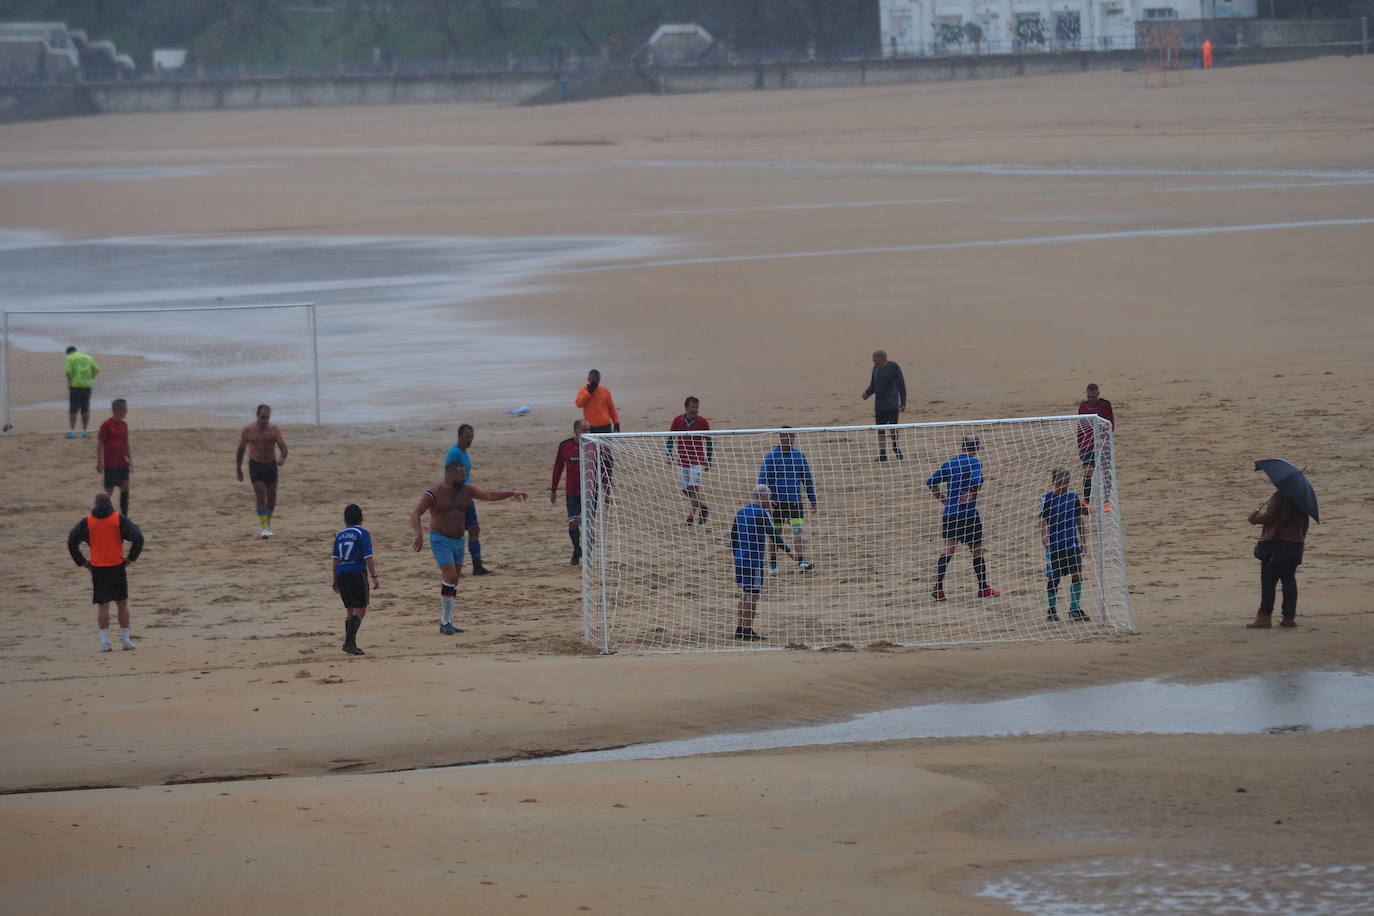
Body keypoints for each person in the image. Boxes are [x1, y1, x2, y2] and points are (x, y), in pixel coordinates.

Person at [410, 461, 527, 635]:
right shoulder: (434, 492)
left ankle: (448, 621)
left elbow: (489, 495)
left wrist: (511, 493)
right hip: (440, 539)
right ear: (450, 476)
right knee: (450, 576)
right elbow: (416, 513)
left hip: (459, 540)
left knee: (454, 579)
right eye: (461, 475)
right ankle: (444, 622)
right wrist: (418, 534)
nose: (464, 479)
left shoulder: (466, 490)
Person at [67, 492, 144, 652]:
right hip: (117, 566)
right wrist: (131, 558)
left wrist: (82, 562)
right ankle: (126, 641)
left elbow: (72, 541)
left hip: (98, 568)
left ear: (95, 504)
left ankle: (105, 642)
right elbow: (138, 537)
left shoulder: (88, 522)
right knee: (122, 603)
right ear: (110, 503)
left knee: (103, 605)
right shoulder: (118, 519)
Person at [928, 436, 999, 600]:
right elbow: (976, 481)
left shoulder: (950, 463)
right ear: (977, 448)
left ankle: (938, 587)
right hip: (968, 515)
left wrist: (943, 499)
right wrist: (972, 494)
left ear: (962, 447)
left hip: (950, 514)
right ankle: (983, 588)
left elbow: (931, 482)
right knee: (976, 551)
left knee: (947, 551)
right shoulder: (974, 463)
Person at [730, 485, 794, 641]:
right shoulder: (762, 514)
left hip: (740, 558)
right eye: (770, 497)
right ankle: (747, 629)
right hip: (754, 560)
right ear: (763, 497)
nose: (772, 500)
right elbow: (773, 534)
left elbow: (733, 537)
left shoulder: (741, 512)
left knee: (745, 593)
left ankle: (740, 628)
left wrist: (737, 555)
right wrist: (789, 551)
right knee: (753, 595)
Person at [756, 428, 817, 572]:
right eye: (785, 436)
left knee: (797, 531)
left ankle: (801, 562)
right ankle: (773, 564)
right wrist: (766, 501)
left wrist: (813, 500)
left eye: (791, 436)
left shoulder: (799, 456)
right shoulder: (771, 456)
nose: (788, 439)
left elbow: (807, 479)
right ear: (780, 437)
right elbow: (762, 480)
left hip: (794, 502)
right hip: (775, 503)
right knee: (775, 534)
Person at [1246, 490, 1309, 629]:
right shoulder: (1303, 498)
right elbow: (1304, 525)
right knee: (1289, 581)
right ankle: (1289, 617)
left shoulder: (1280, 495)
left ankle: (1264, 617)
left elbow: (1269, 517)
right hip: (1295, 545)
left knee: (1268, 582)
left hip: (1277, 545)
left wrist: (1253, 518)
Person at [1039, 468, 1089, 622]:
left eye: (1066, 483)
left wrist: (1083, 541)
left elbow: (1079, 519)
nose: (1064, 486)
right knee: (1054, 578)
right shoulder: (1047, 498)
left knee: (1077, 575)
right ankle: (1051, 610)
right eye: (1061, 483)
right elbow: (1041, 519)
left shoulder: (1073, 498)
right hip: (1055, 545)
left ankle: (1075, 609)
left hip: (1071, 544)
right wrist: (1044, 536)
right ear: (1054, 482)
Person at [332, 504, 379, 656]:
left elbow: (335, 559)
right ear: (361, 518)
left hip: (342, 573)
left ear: (345, 519)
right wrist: (374, 576)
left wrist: (334, 579)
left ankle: (350, 642)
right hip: (356, 573)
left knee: (350, 609)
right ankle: (349, 642)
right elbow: (368, 557)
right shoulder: (362, 533)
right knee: (360, 609)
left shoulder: (340, 535)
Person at [443, 424, 491, 575]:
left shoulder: (464, 453)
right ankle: (455, 567)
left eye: (472, 437)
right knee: (455, 533)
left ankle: (477, 565)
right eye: (467, 437)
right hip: (457, 498)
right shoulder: (454, 453)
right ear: (459, 436)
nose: (470, 440)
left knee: (474, 529)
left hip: (467, 495)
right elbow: (448, 477)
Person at [235, 404, 288, 538]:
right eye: (262, 417)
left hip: (270, 465)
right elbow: (241, 450)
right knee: (261, 497)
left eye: (267, 418)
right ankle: (264, 527)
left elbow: (283, 447)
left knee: (272, 500)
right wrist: (238, 469)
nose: (265, 421)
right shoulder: (249, 430)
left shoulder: (274, 429)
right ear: (257, 415)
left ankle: (267, 523)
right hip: (255, 465)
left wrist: (282, 458)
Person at [668, 396, 713, 526]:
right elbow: (671, 438)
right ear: (686, 407)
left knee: (693, 487)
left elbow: (708, 441)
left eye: (697, 407)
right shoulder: (677, 420)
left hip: (697, 460)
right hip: (682, 460)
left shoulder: (703, 422)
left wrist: (708, 459)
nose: (695, 410)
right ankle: (703, 507)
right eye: (693, 407)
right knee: (685, 489)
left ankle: (691, 516)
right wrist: (668, 454)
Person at [550, 420, 589, 565]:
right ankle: (577, 549)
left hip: (590, 491)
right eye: (584, 430)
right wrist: (553, 490)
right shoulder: (565, 446)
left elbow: (602, 466)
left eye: (589, 430)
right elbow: (558, 467)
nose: (587, 433)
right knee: (573, 523)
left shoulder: (593, 444)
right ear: (576, 431)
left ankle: (588, 556)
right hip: (572, 491)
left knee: (588, 524)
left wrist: (607, 489)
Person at [862, 349, 907, 461]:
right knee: (880, 429)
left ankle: (895, 446)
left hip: (892, 404)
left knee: (893, 427)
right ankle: (882, 454)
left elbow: (901, 385)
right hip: (879, 405)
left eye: (874, 358)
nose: (872, 360)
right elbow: (874, 385)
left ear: (881, 357)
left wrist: (903, 402)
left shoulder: (893, 367)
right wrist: (867, 393)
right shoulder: (875, 369)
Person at [1077, 383, 1116, 510]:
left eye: (1093, 397)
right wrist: (1080, 445)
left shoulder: (1105, 405)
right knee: (1088, 472)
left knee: (1106, 473)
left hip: (1103, 446)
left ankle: (1107, 501)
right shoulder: (1083, 406)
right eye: (1089, 397)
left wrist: (1104, 439)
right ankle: (1086, 503)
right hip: (1087, 447)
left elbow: (1111, 425)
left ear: (1098, 394)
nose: (1091, 399)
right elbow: (1080, 427)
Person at [97, 398, 132, 517]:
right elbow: (100, 443)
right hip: (110, 463)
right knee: (109, 491)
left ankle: (125, 515)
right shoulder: (106, 425)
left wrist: (130, 460)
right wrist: (99, 461)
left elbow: (126, 442)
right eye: (124, 409)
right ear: (117, 410)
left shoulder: (124, 424)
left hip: (122, 462)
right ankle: (103, 514)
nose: (126, 411)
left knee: (125, 486)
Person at [64, 346, 100, 438]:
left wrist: (70, 381)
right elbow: (97, 369)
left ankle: (72, 431)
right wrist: (91, 377)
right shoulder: (88, 357)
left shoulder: (70, 357)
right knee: (85, 408)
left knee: (73, 408)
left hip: (75, 385)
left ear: (68, 353)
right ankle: (84, 431)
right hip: (87, 386)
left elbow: (68, 371)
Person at [575, 369, 621, 433]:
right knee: (592, 443)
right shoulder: (583, 390)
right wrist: (588, 392)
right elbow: (579, 404)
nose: (595, 382)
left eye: (597, 380)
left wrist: (616, 422)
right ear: (589, 379)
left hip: (606, 426)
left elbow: (611, 408)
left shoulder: (605, 391)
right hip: (590, 426)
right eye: (593, 380)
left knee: (606, 443)